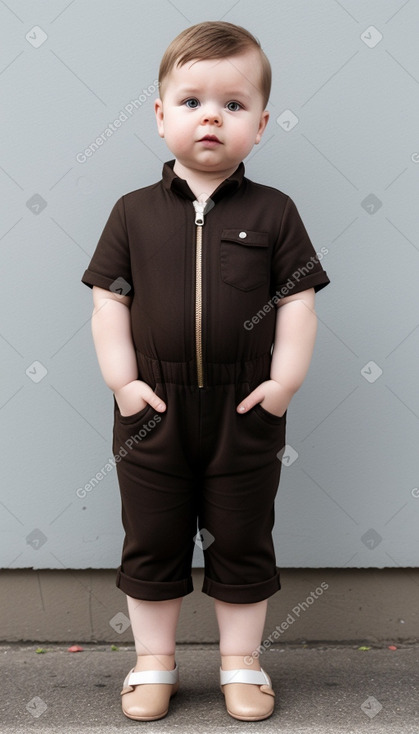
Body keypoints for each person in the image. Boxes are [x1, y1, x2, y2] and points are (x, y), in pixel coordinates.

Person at [81, 20, 330, 723]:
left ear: (260, 123)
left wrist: (283, 385)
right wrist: (123, 384)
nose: (211, 116)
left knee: (242, 535)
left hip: (243, 407)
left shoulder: (274, 212)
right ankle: (152, 663)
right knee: (152, 536)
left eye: (232, 103)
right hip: (150, 408)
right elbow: (108, 304)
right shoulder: (131, 214)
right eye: (191, 101)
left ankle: (241, 664)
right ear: (160, 117)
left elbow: (299, 304)